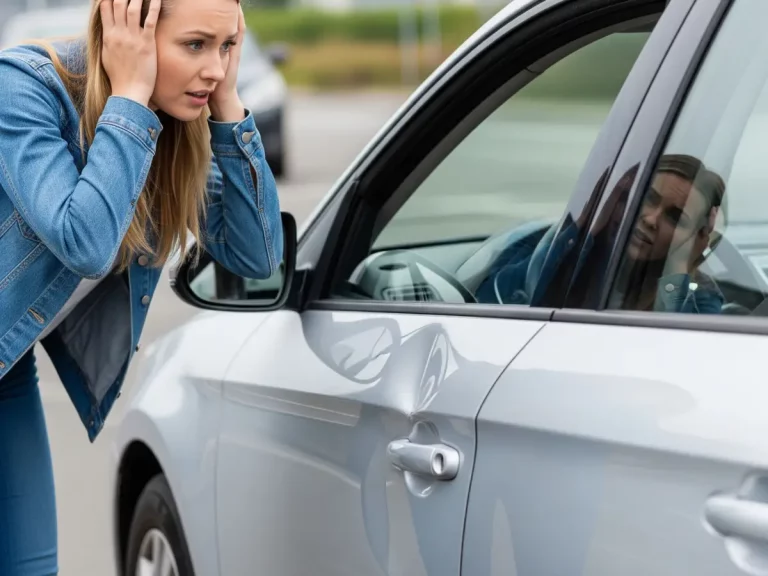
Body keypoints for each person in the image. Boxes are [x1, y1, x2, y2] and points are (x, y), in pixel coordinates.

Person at [0, 0, 282, 573]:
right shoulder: (23, 90)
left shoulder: (174, 132)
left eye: (228, 47)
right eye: (196, 45)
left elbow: (257, 255)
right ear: (131, 33)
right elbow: (85, 240)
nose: (215, 68)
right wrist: (127, 98)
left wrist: (228, 104)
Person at [480, 154, 726, 314]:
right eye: (648, 198)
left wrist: (679, 266)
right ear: (621, 196)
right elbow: (497, 301)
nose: (652, 220)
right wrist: (584, 230)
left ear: (695, 237)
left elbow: (676, 354)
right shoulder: (533, 245)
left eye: (675, 218)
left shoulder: (702, 298)